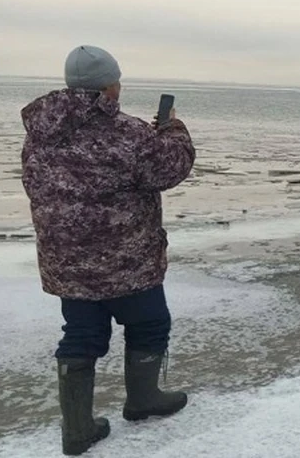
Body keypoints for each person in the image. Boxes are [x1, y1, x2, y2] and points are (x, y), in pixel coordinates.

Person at [21, 46, 196, 455]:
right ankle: (143, 400)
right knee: (150, 325)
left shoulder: (39, 133)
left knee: (80, 335)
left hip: (67, 261)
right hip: (126, 260)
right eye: (117, 80)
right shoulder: (127, 132)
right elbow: (171, 168)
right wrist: (174, 130)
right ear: (109, 87)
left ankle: (77, 430)